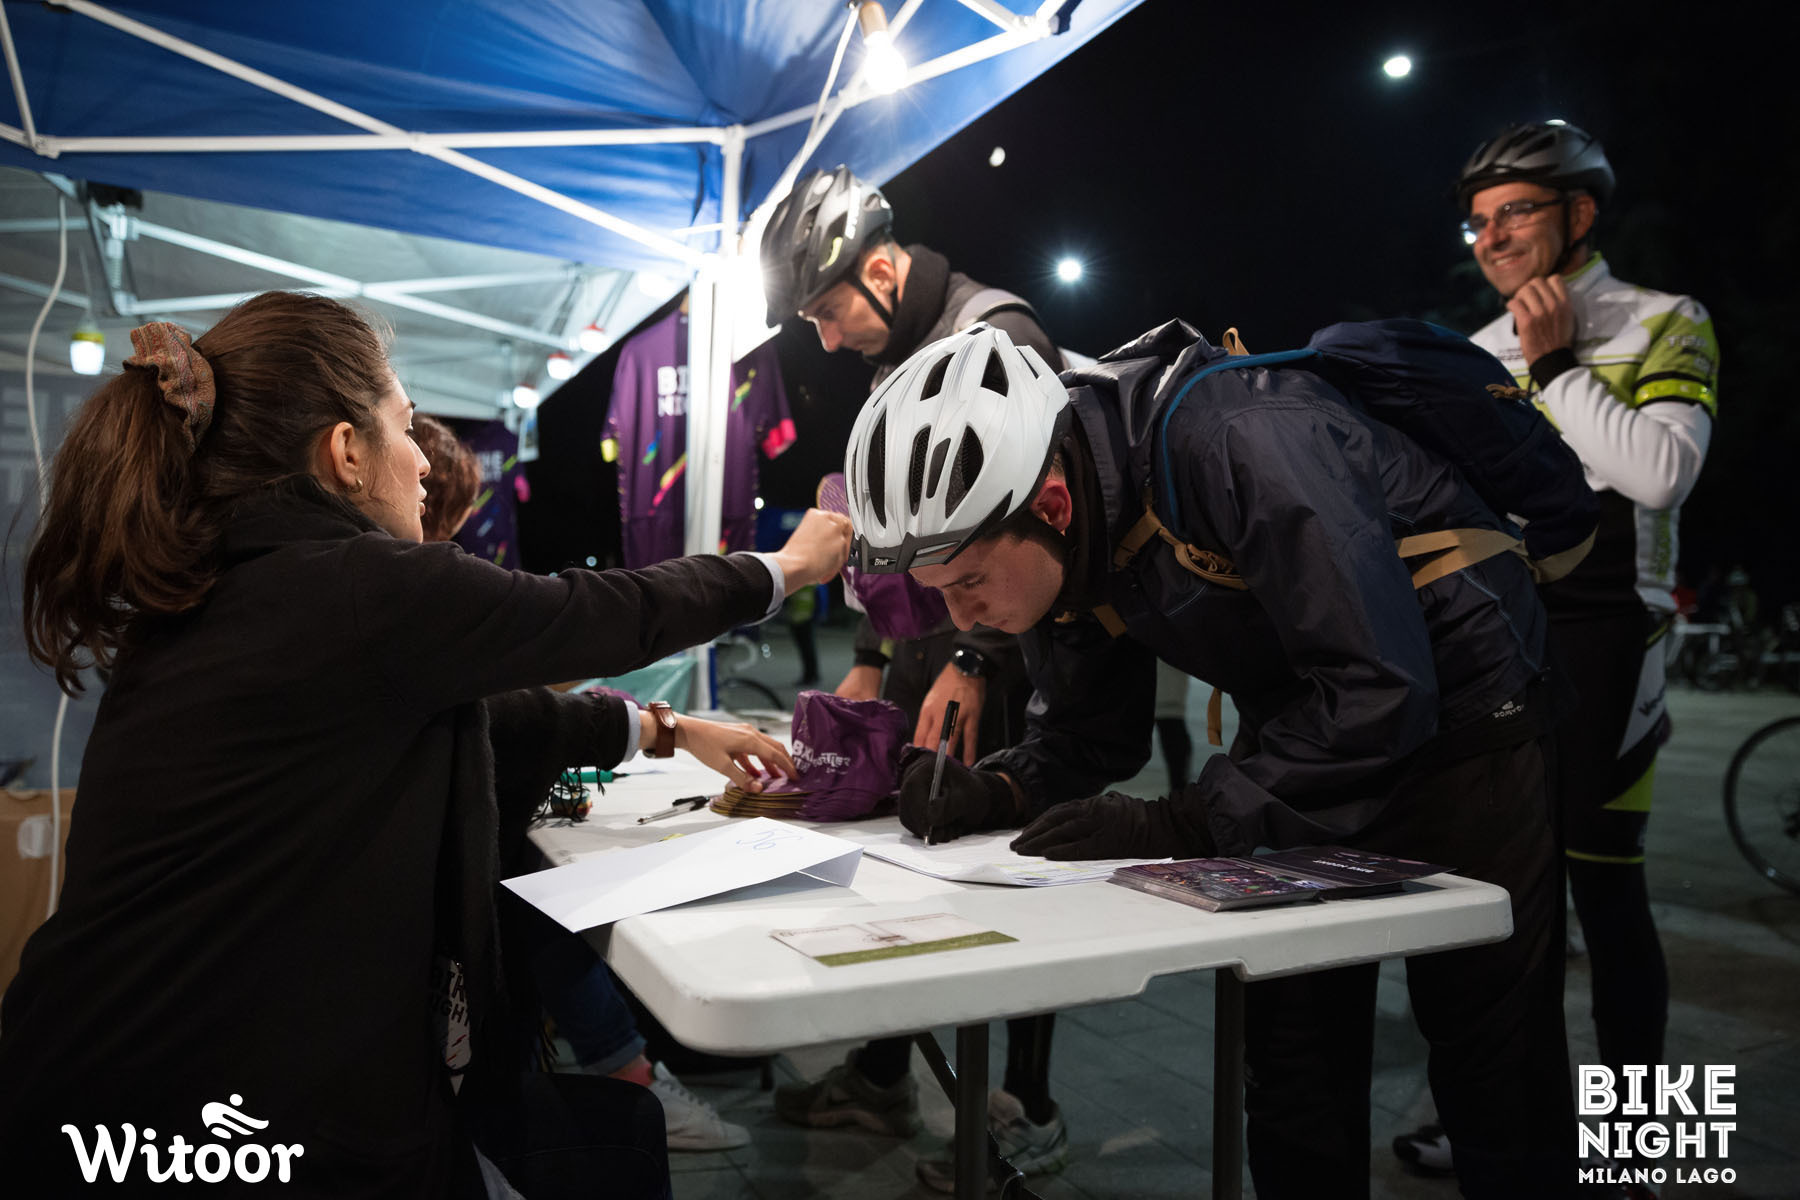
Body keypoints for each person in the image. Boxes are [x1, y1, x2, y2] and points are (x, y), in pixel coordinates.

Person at [0, 292, 850, 1196]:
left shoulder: (235, 590)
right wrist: (785, 568)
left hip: (91, 1087)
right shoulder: (356, 586)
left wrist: (666, 729)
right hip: (204, 1121)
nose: (421, 462)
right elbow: (601, 612)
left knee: (609, 1135)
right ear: (345, 450)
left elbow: (502, 717)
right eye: (405, 428)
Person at [845, 321, 1580, 1198]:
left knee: (1495, 1069)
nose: (961, 619)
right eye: (939, 593)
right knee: (1294, 1066)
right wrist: (998, 789)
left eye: (968, 583)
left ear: (1052, 505)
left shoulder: (1240, 439)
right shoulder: (1067, 529)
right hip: (1311, 717)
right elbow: (1089, 733)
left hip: (1467, 712)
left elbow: (1381, 687)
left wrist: (1187, 821)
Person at [1393, 123, 1718, 1185]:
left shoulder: (1665, 318)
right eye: (1478, 222)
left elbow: (1658, 473)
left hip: (1616, 630)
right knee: (1507, 896)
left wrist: (1557, 366)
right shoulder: (1473, 350)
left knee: (1604, 892)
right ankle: (1508, 1123)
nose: (1490, 237)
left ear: (1580, 214)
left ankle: (1640, 1142)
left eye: (1514, 213)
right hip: (1503, 635)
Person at [759, 165, 1069, 1187]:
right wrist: (865, 663)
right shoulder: (899, 354)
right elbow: (890, 537)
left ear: (883, 271)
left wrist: (979, 659)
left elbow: (1029, 539)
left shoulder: (998, 334)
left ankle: (1029, 1105)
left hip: (1004, 648)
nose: (824, 338)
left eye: (827, 310)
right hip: (930, 653)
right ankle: (889, 1071)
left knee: (1009, 867)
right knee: (906, 855)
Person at [411, 413, 751, 1155]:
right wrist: (775, 572)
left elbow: (522, 693)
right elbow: (591, 631)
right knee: (538, 898)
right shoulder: (406, 598)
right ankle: (627, 1072)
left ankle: (625, 1069)